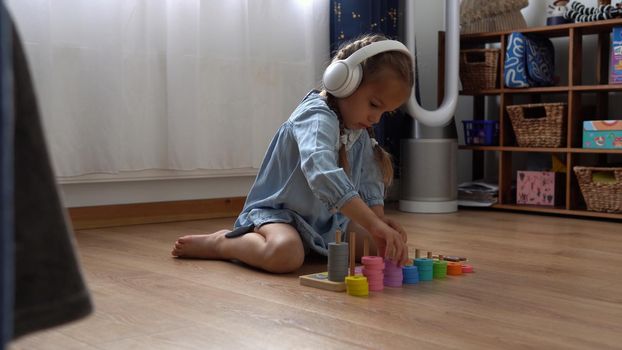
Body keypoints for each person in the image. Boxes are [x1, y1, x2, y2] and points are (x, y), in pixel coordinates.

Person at [172, 34, 413, 273]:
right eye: (373, 104)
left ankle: (312, 245)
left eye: (385, 113)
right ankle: (222, 243)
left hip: (327, 223)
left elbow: (369, 178)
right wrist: (372, 224)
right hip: (280, 215)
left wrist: (378, 222)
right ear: (343, 81)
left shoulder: (358, 126)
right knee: (285, 254)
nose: (375, 118)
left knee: (378, 246)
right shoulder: (315, 117)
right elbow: (322, 173)